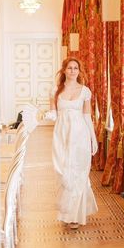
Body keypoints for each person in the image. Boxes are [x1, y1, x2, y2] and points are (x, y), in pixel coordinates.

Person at [44, 57, 98, 230]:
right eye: (69, 68)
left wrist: (93, 137)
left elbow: (87, 116)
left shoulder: (85, 91)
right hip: (61, 135)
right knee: (63, 171)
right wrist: (43, 115)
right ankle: (66, 213)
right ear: (64, 70)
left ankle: (75, 216)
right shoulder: (55, 91)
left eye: (76, 68)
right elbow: (53, 114)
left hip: (80, 135)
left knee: (78, 173)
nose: (73, 71)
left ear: (79, 71)